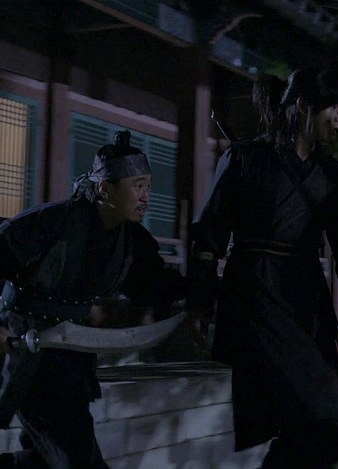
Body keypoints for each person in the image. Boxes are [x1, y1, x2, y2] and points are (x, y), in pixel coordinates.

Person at [187, 66, 338, 468]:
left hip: (305, 302)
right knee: (315, 419)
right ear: (302, 107)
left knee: (329, 429)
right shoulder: (245, 158)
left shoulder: (334, 177)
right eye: (332, 108)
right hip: (256, 298)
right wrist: (198, 302)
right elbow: (208, 238)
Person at [0, 130, 185, 468]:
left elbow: (156, 287)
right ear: (105, 189)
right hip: (26, 346)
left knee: (44, 460)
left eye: (148, 186)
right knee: (77, 457)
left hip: (71, 355)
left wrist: (203, 292)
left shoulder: (132, 241)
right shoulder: (52, 222)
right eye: (137, 186)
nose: (146, 196)